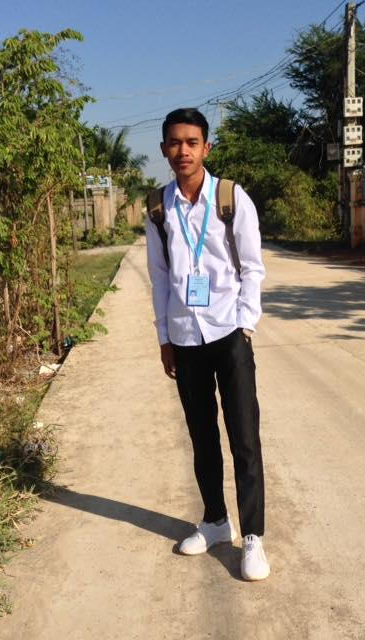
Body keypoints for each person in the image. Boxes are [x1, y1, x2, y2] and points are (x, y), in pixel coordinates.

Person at [145, 107, 269, 581]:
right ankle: (216, 521)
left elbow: (252, 267)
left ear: (206, 148)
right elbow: (160, 276)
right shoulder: (158, 207)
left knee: (244, 437)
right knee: (201, 436)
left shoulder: (230, 198)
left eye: (192, 142)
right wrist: (164, 337)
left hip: (228, 332)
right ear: (164, 149)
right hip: (185, 336)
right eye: (175, 142)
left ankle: (252, 536)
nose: (184, 151)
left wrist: (245, 325)